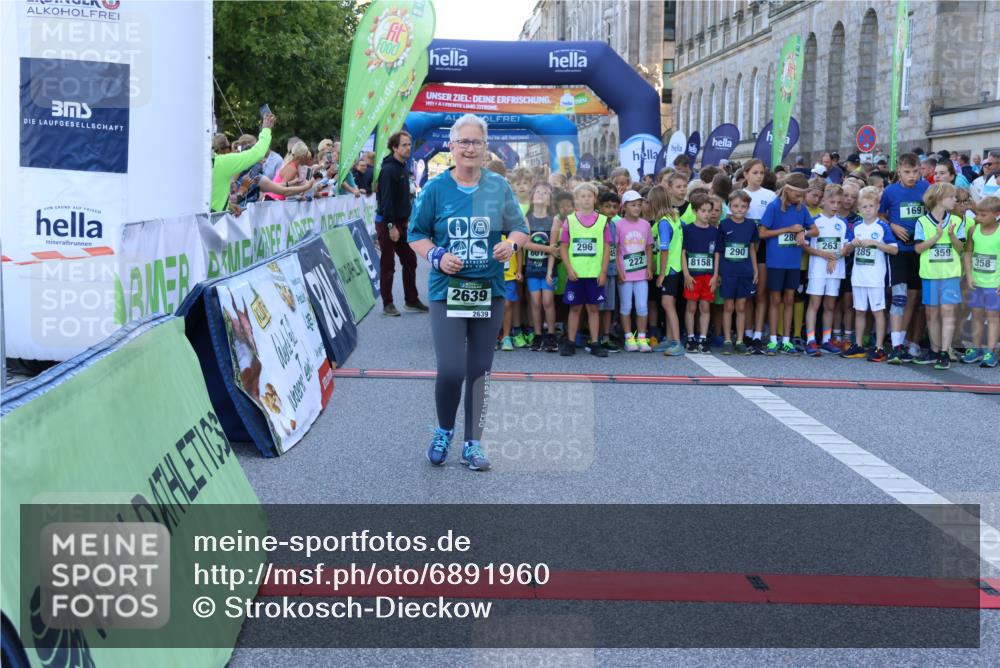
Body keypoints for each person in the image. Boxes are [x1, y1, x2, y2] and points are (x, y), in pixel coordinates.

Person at [408, 114, 528, 471]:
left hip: (488, 290)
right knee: (450, 369)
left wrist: (511, 245)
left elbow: (520, 229)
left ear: (485, 148)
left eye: (477, 142)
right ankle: (444, 431)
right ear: (452, 147)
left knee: (480, 370)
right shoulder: (435, 189)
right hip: (448, 291)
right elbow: (417, 234)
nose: (470, 148)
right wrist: (437, 255)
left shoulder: (498, 187)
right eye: (464, 142)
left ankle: (472, 443)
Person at [758, 172, 817, 355]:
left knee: (790, 299)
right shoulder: (774, 207)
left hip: (793, 262)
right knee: (775, 300)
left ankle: (786, 340)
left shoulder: (801, 208)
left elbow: (815, 230)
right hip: (776, 261)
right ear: (788, 190)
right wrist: (788, 229)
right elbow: (762, 233)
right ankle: (773, 340)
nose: (801, 198)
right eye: (798, 194)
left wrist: (803, 234)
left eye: (802, 195)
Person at [880, 152, 930, 363]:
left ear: (921, 170)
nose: (911, 176)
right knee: (901, 297)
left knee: (917, 299)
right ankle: (897, 343)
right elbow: (880, 215)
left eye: (915, 171)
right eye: (907, 172)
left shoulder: (925, 188)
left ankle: (914, 343)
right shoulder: (890, 192)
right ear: (899, 171)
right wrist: (893, 225)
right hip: (899, 250)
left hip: (920, 250)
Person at [841, 187, 899, 361]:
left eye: (871, 206)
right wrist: (852, 243)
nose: (868, 210)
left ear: (877, 207)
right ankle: (858, 345)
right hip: (858, 277)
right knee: (859, 310)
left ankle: (879, 347)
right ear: (859, 208)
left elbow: (894, 249)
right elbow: (845, 249)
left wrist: (875, 243)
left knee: (877, 312)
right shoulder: (856, 226)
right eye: (864, 207)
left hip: (875, 278)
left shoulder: (882, 226)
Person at [913, 182, 966, 370]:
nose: (955, 200)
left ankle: (944, 351)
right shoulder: (922, 221)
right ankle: (934, 350)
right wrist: (937, 236)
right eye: (951, 197)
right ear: (938, 198)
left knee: (948, 312)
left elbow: (962, 248)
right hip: (930, 274)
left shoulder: (958, 221)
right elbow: (918, 249)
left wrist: (951, 236)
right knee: (932, 313)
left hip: (950, 274)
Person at [559, 182, 611, 357]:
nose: (586, 199)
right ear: (576, 200)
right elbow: (563, 247)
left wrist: (603, 272)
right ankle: (571, 342)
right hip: (576, 274)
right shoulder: (570, 220)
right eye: (582, 196)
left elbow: (606, 249)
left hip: (594, 274)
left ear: (595, 199)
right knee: (575, 308)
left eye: (589, 196)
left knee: (593, 308)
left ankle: (595, 343)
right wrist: (569, 269)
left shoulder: (603, 221)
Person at [377, 131, 426, 316]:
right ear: (394, 147)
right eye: (404, 145)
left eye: (409, 144)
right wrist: (391, 226)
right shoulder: (389, 170)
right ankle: (387, 304)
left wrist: (405, 221)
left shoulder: (403, 167)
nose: (408, 147)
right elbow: (386, 200)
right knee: (388, 265)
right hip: (388, 223)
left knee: (410, 261)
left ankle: (411, 300)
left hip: (402, 222)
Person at [803, 185, 847, 356]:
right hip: (818, 270)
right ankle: (811, 340)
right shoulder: (815, 222)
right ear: (823, 202)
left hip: (835, 269)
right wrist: (824, 255)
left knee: (830, 305)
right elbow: (805, 246)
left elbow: (846, 246)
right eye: (832, 202)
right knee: (815, 303)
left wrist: (834, 257)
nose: (835, 205)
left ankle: (826, 340)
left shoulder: (842, 223)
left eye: (838, 202)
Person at [741, 159, 778, 353]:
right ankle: (746, 332)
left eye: (761, 173)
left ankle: (757, 334)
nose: (759, 176)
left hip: (764, 247)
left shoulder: (770, 196)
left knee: (761, 293)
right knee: (747, 294)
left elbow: (775, 221)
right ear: (745, 174)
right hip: (744, 248)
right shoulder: (740, 194)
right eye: (755, 172)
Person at [717, 190, 759, 355]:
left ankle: (740, 340)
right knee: (728, 306)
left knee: (741, 307)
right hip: (728, 271)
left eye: (743, 206)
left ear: (748, 207)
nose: (739, 209)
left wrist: (755, 269)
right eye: (735, 206)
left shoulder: (751, 225)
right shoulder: (724, 225)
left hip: (745, 271)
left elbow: (752, 249)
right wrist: (719, 273)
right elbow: (719, 251)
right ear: (729, 206)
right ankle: (728, 339)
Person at [961, 195, 1000, 367]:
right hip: (976, 282)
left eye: (983, 215)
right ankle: (976, 349)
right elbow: (968, 253)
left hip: (994, 283)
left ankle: (990, 351)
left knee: (992, 317)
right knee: (976, 315)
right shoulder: (973, 230)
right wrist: (969, 275)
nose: (978, 218)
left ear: (996, 214)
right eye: (977, 214)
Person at [210, 113, 276, 213]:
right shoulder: (222, 162)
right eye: (228, 147)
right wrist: (266, 129)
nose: (231, 150)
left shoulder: (197, 163)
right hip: (214, 221)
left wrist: (228, 206)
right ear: (219, 149)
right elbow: (257, 153)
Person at [615, 190, 654, 352]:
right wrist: (619, 270)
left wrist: (650, 268)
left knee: (642, 306)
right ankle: (628, 338)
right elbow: (616, 250)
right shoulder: (618, 225)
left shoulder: (645, 225)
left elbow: (649, 248)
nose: (637, 208)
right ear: (624, 207)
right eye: (633, 205)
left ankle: (642, 338)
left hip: (641, 273)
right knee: (626, 306)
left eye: (639, 205)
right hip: (625, 272)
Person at [681, 193, 720, 353]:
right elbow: (682, 253)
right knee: (691, 307)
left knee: (705, 307)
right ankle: (690, 337)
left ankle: (703, 338)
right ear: (695, 211)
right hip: (693, 276)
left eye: (709, 211)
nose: (707, 214)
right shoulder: (688, 230)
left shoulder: (715, 231)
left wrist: (715, 276)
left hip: (708, 276)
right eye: (703, 210)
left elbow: (717, 254)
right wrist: (686, 275)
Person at [651, 181, 686, 356]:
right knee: (668, 304)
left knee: (667, 304)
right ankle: (670, 339)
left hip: (669, 269)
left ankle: (677, 342)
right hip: (676, 267)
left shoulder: (664, 223)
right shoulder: (674, 217)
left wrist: (661, 274)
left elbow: (664, 249)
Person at [523, 183, 559, 352]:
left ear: (549, 200)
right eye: (537, 191)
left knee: (547, 301)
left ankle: (551, 335)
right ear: (532, 197)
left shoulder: (555, 220)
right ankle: (537, 335)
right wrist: (547, 249)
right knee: (535, 303)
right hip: (532, 269)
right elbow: (526, 244)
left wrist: (550, 271)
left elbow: (554, 247)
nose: (541, 194)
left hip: (548, 269)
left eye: (545, 193)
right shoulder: (527, 219)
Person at [597, 190, 622, 352]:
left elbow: (617, 249)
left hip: (612, 271)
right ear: (600, 207)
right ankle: (595, 336)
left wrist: (619, 270)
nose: (611, 210)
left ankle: (606, 336)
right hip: (598, 272)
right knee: (596, 306)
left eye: (614, 207)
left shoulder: (614, 225)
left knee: (609, 306)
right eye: (607, 206)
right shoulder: (597, 224)